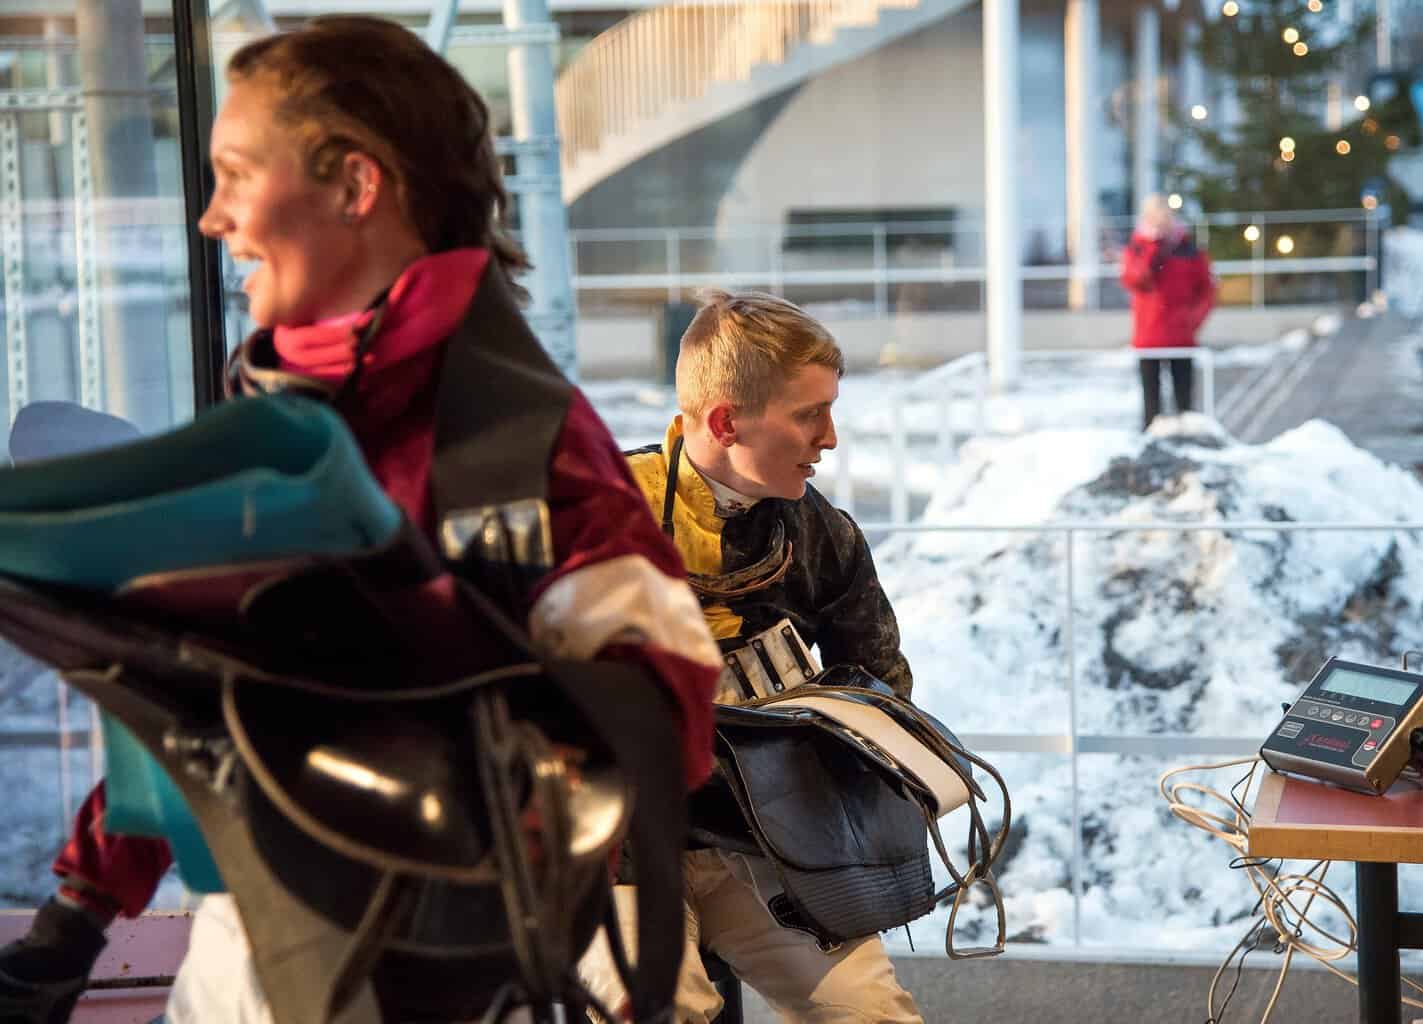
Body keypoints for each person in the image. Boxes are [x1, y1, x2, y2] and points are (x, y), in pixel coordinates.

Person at [0, 17, 721, 1024]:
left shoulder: (521, 438)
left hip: (435, 968)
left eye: (237, 174)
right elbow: (196, 695)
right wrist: (73, 918)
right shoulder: (276, 420)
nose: (213, 218)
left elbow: (667, 717)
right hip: (243, 954)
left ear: (354, 185)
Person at [580, 289, 924, 1024]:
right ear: (726, 421)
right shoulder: (593, 520)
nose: (828, 438)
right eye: (809, 414)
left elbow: (886, 689)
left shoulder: (821, 537)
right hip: (615, 848)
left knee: (874, 1015)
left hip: (759, 842)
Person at [1120, 194, 1216, 429]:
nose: (1161, 220)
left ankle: (1188, 449)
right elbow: (1135, 279)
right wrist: (1154, 247)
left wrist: (1193, 320)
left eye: (1164, 214)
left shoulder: (1188, 248)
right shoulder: (1139, 247)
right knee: (1151, 409)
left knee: (1185, 406)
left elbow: (1207, 289)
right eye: (1154, 215)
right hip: (1148, 337)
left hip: (1181, 336)